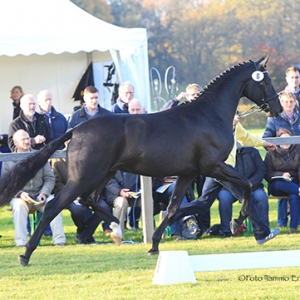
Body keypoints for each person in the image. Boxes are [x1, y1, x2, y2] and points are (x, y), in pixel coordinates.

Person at [169, 113, 279, 244]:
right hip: (223, 169)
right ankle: (261, 234)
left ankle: (173, 212)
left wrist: (263, 143)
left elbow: (246, 138)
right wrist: (230, 124)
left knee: (203, 203)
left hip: (217, 170)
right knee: (247, 198)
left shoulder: (234, 126)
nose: (235, 117)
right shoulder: (215, 125)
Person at [2, 129, 66, 246]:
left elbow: (49, 178)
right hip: (20, 197)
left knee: (54, 203)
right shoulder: (9, 160)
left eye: (28, 138)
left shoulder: (40, 156)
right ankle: (21, 242)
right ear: (15, 143)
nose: (27, 141)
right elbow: (6, 185)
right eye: (23, 139)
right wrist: (20, 194)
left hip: (40, 195)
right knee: (18, 205)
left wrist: (44, 193)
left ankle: (59, 241)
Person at [52, 151, 112, 244]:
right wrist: (72, 194)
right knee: (77, 210)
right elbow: (57, 183)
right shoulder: (57, 159)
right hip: (68, 195)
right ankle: (84, 234)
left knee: (103, 207)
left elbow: (96, 178)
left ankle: (83, 234)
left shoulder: (88, 155)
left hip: (89, 194)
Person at [263, 92, 300, 228]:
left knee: (293, 194)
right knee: (288, 190)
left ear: (295, 102)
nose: (288, 104)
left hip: (296, 162)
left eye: (291, 101)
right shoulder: (274, 119)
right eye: (285, 101)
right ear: (281, 102)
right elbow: (266, 138)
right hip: (278, 164)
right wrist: (276, 152)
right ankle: (282, 222)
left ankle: (293, 226)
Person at [217, 145, 270, 239]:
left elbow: (261, 169)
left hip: (253, 186)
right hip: (231, 187)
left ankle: (264, 228)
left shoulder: (253, 152)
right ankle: (226, 230)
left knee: (261, 196)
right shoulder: (225, 153)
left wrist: (251, 182)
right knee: (224, 197)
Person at [265, 129, 300, 234]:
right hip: (276, 185)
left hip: (293, 183)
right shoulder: (270, 154)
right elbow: (267, 174)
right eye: (282, 140)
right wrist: (281, 175)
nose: (285, 142)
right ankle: (298, 190)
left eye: (288, 139)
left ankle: (293, 227)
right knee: (283, 185)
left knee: (294, 196)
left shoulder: (298, 151)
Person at [104, 170, 141, 239]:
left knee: (148, 201)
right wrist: (119, 191)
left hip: (135, 194)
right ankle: (118, 236)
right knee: (122, 202)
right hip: (115, 194)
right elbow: (108, 180)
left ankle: (149, 235)